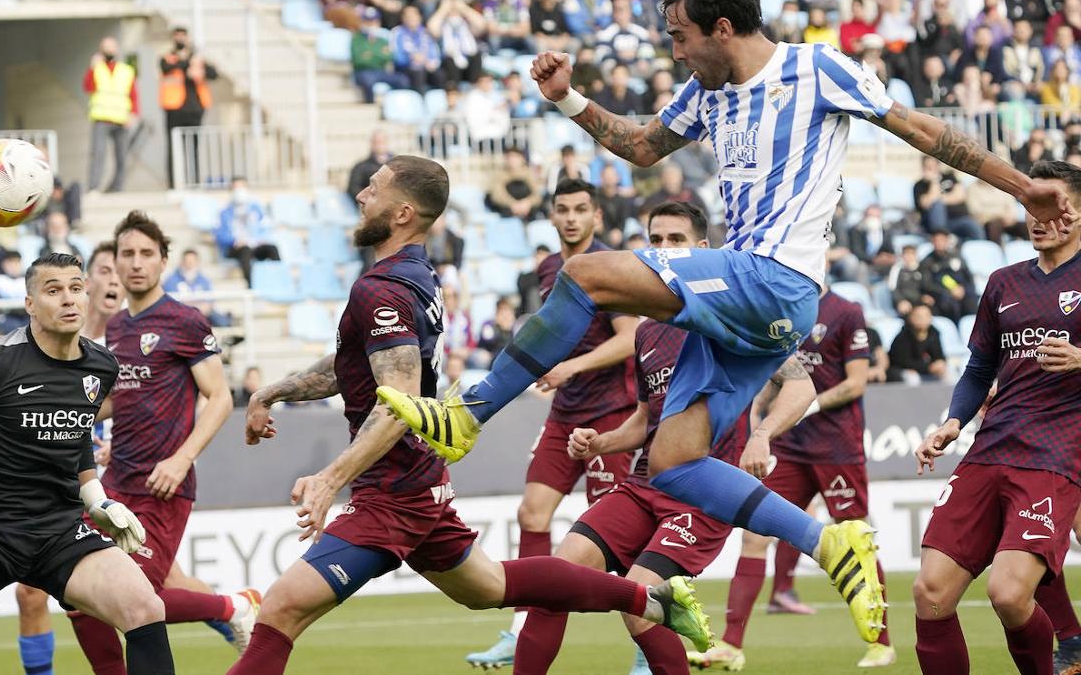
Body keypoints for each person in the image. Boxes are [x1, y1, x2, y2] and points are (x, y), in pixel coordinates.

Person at [379, 0, 1075, 646]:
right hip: (745, 307)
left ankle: (468, 415)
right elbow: (641, 146)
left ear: (720, 27)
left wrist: (1023, 187)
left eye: (680, 36)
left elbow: (923, 130)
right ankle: (830, 544)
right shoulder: (706, 91)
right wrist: (568, 98)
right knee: (674, 463)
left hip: (774, 278)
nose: (675, 52)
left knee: (586, 274)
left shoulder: (816, 68)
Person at [234, 156, 712, 674]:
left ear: (403, 212)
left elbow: (398, 403)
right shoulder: (415, 275)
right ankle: (649, 601)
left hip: (392, 492)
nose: (361, 196)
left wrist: (330, 478)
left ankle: (645, 602)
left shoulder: (384, 289)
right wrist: (274, 392)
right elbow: (358, 364)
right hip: (419, 480)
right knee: (491, 586)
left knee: (279, 609)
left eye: (373, 188)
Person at [517, 202, 820, 675]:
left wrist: (761, 434)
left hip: (702, 495)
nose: (664, 250)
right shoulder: (647, 331)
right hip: (643, 485)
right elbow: (645, 420)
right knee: (557, 581)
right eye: (655, 241)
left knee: (640, 601)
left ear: (703, 249)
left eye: (675, 241)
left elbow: (802, 387)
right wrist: (600, 443)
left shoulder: (737, 315)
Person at [0, 252, 175, 675]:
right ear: (30, 303)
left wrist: (97, 499)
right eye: (53, 290)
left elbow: (78, 435)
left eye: (76, 288)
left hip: (60, 529)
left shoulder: (101, 366)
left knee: (145, 607)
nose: (68, 298)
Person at [69, 212, 258, 671]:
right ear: (115, 261)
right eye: (127, 254)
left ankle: (232, 607)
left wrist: (181, 459)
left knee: (134, 597)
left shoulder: (185, 321)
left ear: (163, 261)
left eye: (146, 254)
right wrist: (70, 417)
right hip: (115, 484)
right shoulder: (118, 327)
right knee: (75, 592)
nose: (136, 263)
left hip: (163, 486)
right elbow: (123, 395)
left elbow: (219, 398)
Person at [913, 160, 1081, 675]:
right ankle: (1073, 640)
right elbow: (979, 368)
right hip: (991, 448)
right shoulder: (1003, 282)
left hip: (1055, 454)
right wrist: (953, 422)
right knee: (930, 592)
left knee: (1008, 593)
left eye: (1051, 206)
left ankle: (1070, 643)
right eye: (1030, 205)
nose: (1038, 217)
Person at [466, 178, 641, 668]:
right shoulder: (548, 269)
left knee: (618, 536)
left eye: (581, 209)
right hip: (565, 414)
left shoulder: (610, 267)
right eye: (563, 209)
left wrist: (571, 367)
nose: (571, 218)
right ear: (552, 216)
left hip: (610, 413)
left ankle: (649, 646)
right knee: (532, 515)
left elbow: (630, 337)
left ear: (597, 217)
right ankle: (520, 631)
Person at [703, 283, 895, 670]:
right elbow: (775, 373)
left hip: (837, 447)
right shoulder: (781, 307)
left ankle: (881, 643)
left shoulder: (846, 311)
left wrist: (807, 406)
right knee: (754, 536)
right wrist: (757, 408)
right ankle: (731, 644)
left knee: (856, 539)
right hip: (790, 446)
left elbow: (856, 382)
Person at [159, 27, 218, 187]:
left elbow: (213, 74)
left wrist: (198, 65)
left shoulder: (198, 59)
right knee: (173, 148)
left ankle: (194, 181)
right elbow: (166, 68)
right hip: (174, 109)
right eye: (177, 36)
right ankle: (173, 184)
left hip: (195, 109)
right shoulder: (168, 58)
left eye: (183, 36)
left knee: (194, 147)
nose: (180, 39)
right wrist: (186, 61)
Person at [85, 37, 138, 193]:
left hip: (121, 119)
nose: (109, 51)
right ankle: (93, 187)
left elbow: (133, 94)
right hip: (101, 118)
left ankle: (117, 187)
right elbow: (88, 87)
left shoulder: (126, 70)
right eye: (106, 48)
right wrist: (92, 68)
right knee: (98, 154)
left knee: (122, 156)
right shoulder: (96, 68)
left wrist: (133, 114)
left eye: (111, 47)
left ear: (117, 49)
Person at [215, 179, 281, 286]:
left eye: (242, 187)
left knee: (272, 249)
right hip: (236, 247)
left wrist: (261, 239)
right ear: (231, 190)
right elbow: (220, 235)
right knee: (245, 251)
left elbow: (266, 227)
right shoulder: (224, 212)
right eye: (236, 188)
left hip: (255, 244)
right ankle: (252, 286)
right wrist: (234, 241)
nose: (239, 191)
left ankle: (279, 282)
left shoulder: (256, 209)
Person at [914, 156, 985, 242]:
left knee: (974, 228)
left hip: (959, 219)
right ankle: (942, 238)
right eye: (928, 167)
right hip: (936, 224)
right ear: (923, 168)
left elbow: (960, 196)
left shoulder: (949, 177)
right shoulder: (919, 185)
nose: (932, 169)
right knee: (937, 206)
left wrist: (937, 198)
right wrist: (934, 181)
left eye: (933, 166)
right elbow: (926, 204)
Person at [352, 7, 410, 102]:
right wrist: (379, 54)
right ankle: (370, 105)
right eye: (368, 21)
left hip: (381, 71)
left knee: (402, 80)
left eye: (374, 21)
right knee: (367, 80)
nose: (371, 24)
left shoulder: (383, 40)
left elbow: (389, 56)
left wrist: (371, 55)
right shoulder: (356, 39)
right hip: (363, 72)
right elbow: (359, 60)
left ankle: (395, 103)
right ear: (363, 22)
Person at [888, 304, 948, 383]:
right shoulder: (902, 338)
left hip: (928, 369)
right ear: (910, 318)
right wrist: (928, 368)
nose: (923, 319)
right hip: (903, 371)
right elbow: (903, 363)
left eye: (926, 316)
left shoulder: (934, 334)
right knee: (912, 378)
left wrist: (940, 363)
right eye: (919, 316)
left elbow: (939, 356)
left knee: (947, 373)